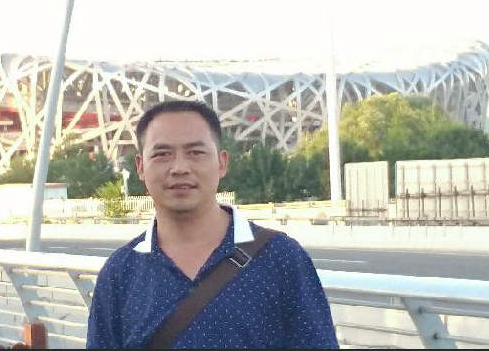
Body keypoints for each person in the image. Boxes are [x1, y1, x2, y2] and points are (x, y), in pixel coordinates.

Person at [86, 100, 338, 349]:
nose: (179, 168)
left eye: (195, 152)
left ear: (222, 162)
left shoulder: (281, 258)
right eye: (162, 154)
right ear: (141, 167)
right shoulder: (121, 273)